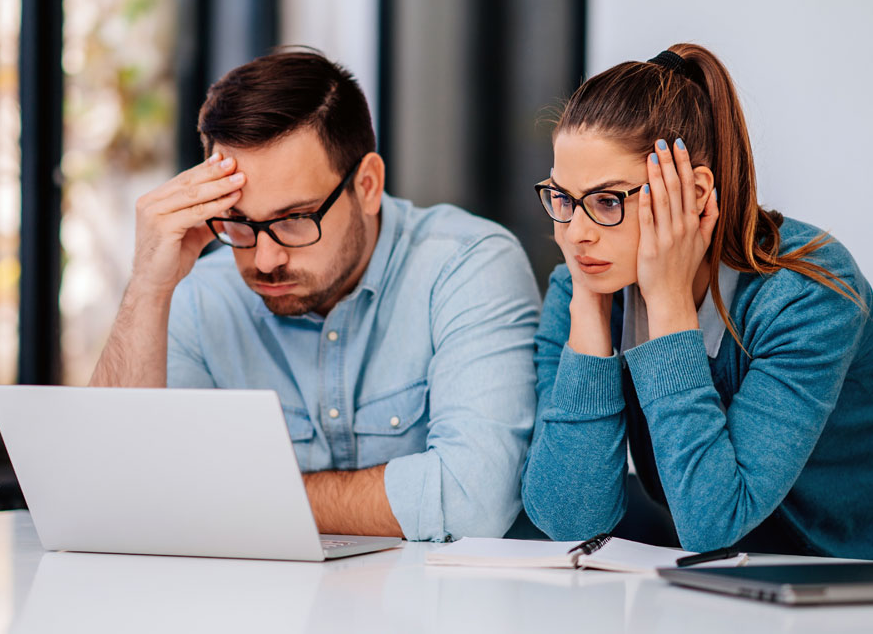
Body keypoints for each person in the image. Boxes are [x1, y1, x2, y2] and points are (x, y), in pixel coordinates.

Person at [91, 48, 540, 542]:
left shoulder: (466, 265)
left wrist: (232, 499)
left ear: (367, 185)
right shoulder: (201, 294)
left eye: (294, 219)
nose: (264, 260)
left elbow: (471, 502)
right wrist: (149, 287)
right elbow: (115, 495)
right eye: (238, 224)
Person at [521, 43, 873, 558]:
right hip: (718, 581)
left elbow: (714, 524)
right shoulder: (586, 285)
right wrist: (590, 312)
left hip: (844, 575)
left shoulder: (807, 293)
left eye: (605, 201)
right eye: (562, 199)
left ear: (696, 193)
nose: (575, 234)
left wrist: (667, 307)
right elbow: (568, 519)